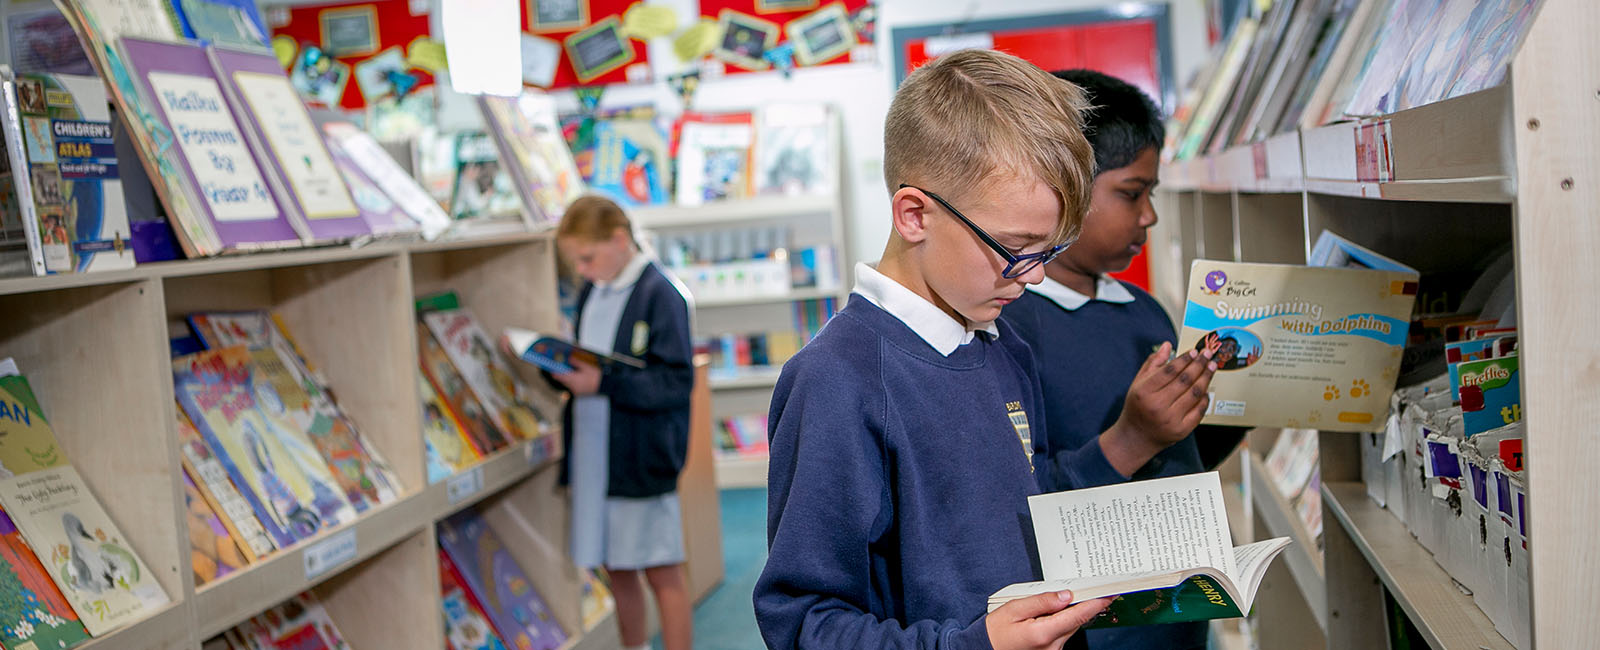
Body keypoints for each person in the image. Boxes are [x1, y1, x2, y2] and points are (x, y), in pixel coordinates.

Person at [754, 49, 1117, 650]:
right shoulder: (837, 382)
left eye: (1047, 252)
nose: (1031, 279)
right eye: (1015, 247)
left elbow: (1023, 508)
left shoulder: (1005, 345)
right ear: (914, 214)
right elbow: (802, 622)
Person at [997, 69, 1232, 650]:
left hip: (1176, 618)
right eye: (1132, 193)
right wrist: (1131, 437)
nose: (1149, 215)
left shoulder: (1144, 312)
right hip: (1089, 629)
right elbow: (1016, 501)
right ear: (1065, 187)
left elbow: (1179, 456)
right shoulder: (1009, 328)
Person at [546, 195, 694, 650]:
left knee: (661, 570)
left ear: (618, 239)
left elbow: (674, 383)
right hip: (596, 455)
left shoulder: (660, 294)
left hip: (639, 457)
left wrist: (602, 385)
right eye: (578, 264)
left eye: (588, 258)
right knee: (618, 568)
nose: (585, 271)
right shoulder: (595, 289)